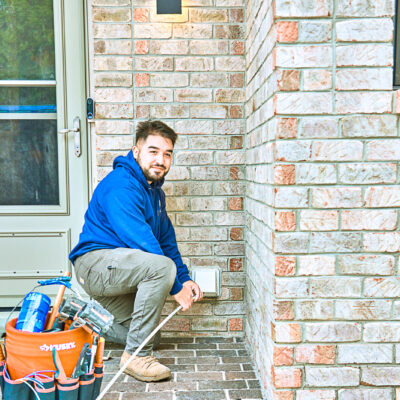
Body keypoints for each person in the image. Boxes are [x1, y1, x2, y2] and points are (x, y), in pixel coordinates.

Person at [69, 120, 203, 382]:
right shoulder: (122, 185)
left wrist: (185, 278)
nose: (161, 160)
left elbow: (166, 242)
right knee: (161, 268)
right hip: (94, 265)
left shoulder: (154, 193)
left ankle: (87, 320)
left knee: (150, 334)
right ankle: (135, 357)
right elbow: (144, 243)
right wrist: (177, 288)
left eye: (167, 154)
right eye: (153, 151)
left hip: (117, 270)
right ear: (136, 151)